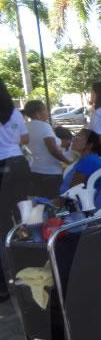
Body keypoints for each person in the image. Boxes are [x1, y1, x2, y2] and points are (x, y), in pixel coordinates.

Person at [0, 79, 30, 300]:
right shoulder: (14, 113)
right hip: (19, 163)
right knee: (23, 217)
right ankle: (29, 268)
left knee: (1, 227)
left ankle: (4, 285)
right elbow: (25, 138)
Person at [24, 100, 71, 198]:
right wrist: (68, 162)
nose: (47, 113)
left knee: (41, 203)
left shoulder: (26, 126)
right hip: (50, 172)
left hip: (34, 170)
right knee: (54, 203)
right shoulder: (44, 126)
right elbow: (52, 149)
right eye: (45, 110)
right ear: (38, 113)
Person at [59, 129, 101, 208]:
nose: (74, 138)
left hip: (76, 207)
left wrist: (56, 205)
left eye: (79, 136)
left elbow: (72, 190)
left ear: (90, 145)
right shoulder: (87, 159)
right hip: (73, 203)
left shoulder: (88, 161)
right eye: (76, 135)